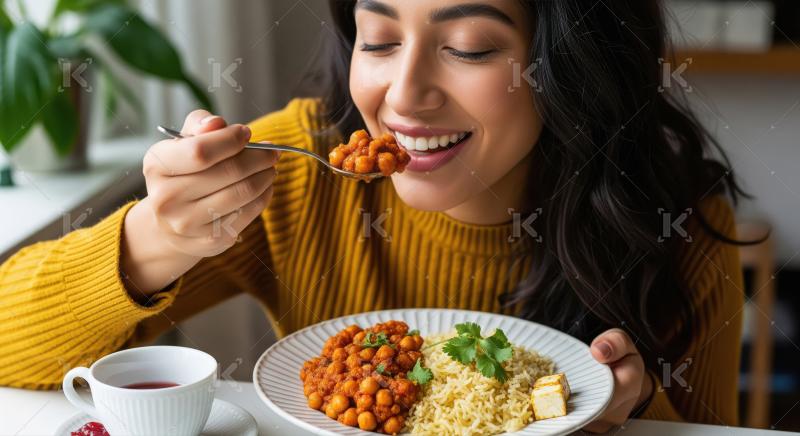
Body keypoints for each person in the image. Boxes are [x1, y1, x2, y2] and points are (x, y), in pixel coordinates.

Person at [0, 0, 749, 431]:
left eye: (467, 48)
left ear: (571, 67)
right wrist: (151, 241)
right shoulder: (298, 169)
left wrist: (634, 413)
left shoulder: (676, 230)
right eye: (380, 39)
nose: (403, 94)